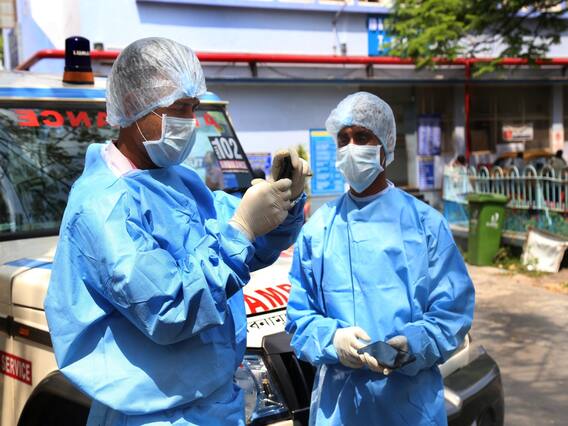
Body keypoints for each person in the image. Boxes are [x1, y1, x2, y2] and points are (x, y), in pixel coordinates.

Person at [44, 38, 309, 426]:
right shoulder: (104, 204)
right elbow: (169, 310)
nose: (190, 121)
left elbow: (248, 244)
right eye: (179, 108)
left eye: (194, 108)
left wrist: (283, 201)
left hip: (213, 403)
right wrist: (239, 232)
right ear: (134, 103)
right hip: (155, 415)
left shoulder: (176, 181)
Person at [286, 92, 475, 426]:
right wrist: (333, 341)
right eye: (343, 139)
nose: (351, 148)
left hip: (410, 407)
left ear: (385, 146)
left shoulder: (425, 225)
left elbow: (452, 312)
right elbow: (300, 317)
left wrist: (412, 345)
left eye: (362, 137)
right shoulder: (318, 229)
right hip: (339, 409)